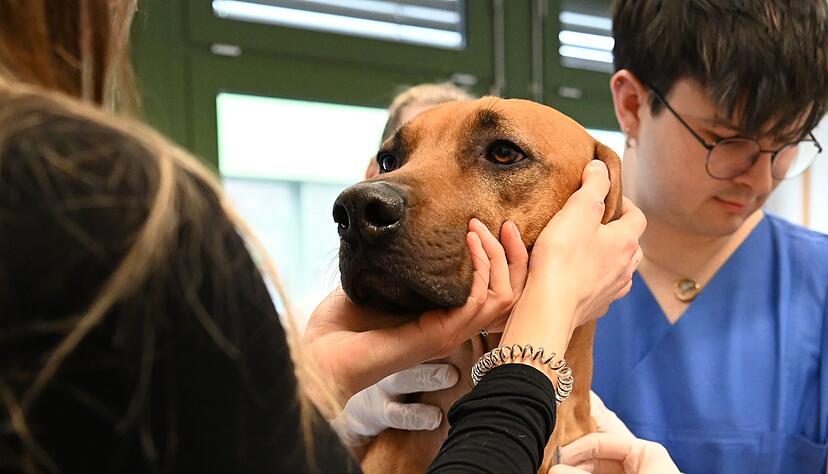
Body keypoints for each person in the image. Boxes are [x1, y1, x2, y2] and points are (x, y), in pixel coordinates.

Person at [0, 2, 649, 473]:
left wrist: (312, 384)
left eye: (502, 155)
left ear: (599, 224)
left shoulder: (613, 448)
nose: (377, 195)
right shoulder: (104, 204)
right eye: (392, 163)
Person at [590, 1, 828, 472]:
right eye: (727, 141)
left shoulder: (817, 288)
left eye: (786, 144)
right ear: (632, 105)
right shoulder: (534, 273)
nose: (761, 181)